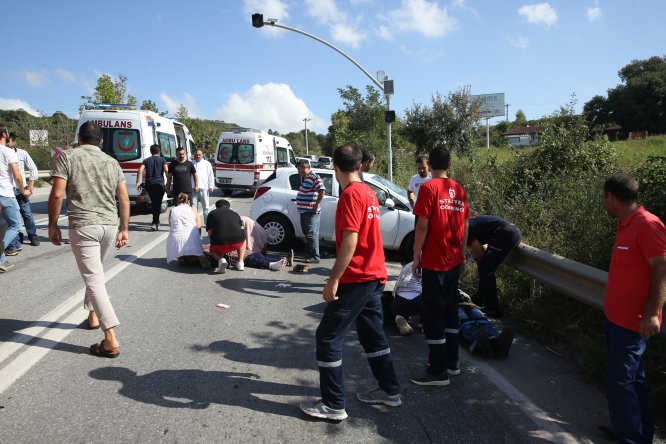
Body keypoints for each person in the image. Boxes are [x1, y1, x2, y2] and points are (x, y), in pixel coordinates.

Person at [300, 143, 401, 421]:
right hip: (375, 275)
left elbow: (350, 240)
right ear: (359, 165)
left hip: (357, 277)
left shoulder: (350, 196)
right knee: (372, 335)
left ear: (335, 167)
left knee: (328, 336)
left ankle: (333, 405)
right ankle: (390, 391)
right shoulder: (369, 193)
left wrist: (333, 280)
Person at [48, 121, 129, 357]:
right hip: (109, 225)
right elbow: (123, 199)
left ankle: (110, 338)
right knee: (96, 273)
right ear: (101, 141)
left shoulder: (68, 157)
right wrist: (124, 228)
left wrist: (53, 225)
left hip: (84, 225)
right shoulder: (112, 162)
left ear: (79, 138)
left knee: (94, 279)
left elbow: (56, 193)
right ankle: (93, 316)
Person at [600, 173, 666, 444]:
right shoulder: (626, 224)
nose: (602, 203)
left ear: (612, 197)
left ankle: (630, 438)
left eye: (603, 197)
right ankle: (639, 434)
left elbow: (662, 269)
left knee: (620, 382)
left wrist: (652, 313)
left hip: (633, 323)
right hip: (616, 319)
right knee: (632, 381)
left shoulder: (647, 225)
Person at [410, 146, 469, 387]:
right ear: (450, 165)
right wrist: (463, 256)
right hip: (454, 261)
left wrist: (416, 257)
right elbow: (465, 226)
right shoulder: (459, 189)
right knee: (450, 311)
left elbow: (422, 226)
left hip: (435, 261)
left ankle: (437, 371)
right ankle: (452, 362)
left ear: (430, 166)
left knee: (433, 315)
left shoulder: (428, 188)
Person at [467, 215, 522, 318]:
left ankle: (493, 310)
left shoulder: (463, 229)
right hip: (509, 231)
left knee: (485, 269)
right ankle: (479, 299)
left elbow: (478, 252)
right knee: (485, 268)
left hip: (506, 233)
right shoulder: (467, 223)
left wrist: (479, 270)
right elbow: (481, 248)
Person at [4, 133, 40, 253]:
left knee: (27, 214)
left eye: (8, 142)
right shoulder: (2, 152)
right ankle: (13, 244)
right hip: (7, 190)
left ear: (14, 142)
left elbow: (33, 169)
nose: (6, 144)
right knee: (11, 219)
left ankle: (32, 236)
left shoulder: (22, 153)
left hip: (21, 189)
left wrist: (29, 187)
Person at [0, 125, 27, 273]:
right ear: (5, 134)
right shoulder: (8, 152)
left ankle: (2, 260)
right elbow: (17, 175)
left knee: (2, 226)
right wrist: (23, 190)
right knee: (16, 225)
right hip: (4, 194)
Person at [165, 192, 208, 269]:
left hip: (175, 238)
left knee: (178, 238)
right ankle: (200, 257)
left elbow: (171, 226)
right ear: (189, 201)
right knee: (197, 248)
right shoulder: (193, 209)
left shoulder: (172, 210)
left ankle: (181, 257)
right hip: (190, 237)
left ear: (178, 201)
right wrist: (198, 239)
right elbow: (199, 226)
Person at [296, 159, 325, 264]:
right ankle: (311, 254)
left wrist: (316, 204)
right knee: (308, 233)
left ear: (304, 167)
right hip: (304, 211)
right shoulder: (306, 178)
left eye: (299, 169)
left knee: (311, 233)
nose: (298, 171)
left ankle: (315, 257)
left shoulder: (314, 177)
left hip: (310, 211)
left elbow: (322, 190)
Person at [206, 199, 246, 273]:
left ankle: (221, 259)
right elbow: (241, 228)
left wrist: (214, 241)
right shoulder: (235, 214)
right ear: (229, 207)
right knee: (243, 240)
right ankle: (240, 262)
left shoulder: (211, 214)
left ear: (216, 207)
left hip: (218, 244)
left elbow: (210, 233)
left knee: (212, 250)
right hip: (236, 243)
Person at [135, 144, 168, 231]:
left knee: (154, 203)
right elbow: (166, 171)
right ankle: (155, 222)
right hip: (159, 185)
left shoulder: (146, 160)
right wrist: (168, 183)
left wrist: (138, 182)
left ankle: (156, 221)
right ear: (158, 151)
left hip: (149, 185)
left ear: (151, 151)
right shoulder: (162, 160)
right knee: (158, 203)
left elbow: (140, 170)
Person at [191, 149, 215, 223]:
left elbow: (211, 175)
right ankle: (194, 222)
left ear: (202, 155)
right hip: (193, 188)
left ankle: (207, 222)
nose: (198, 156)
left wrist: (211, 185)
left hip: (204, 188)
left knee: (206, 206)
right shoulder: (191, 163)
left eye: (199, 155)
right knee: (193, 207)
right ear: (194, 155)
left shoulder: (207, 163)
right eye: (196, 155)